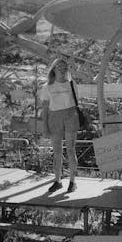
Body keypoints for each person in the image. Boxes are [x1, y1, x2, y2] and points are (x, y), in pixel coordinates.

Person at [39, 59, 79, 193]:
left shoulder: (72, 84)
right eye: (59, 66)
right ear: (54, 69)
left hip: (71, 116)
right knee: (57, 152)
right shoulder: (47, 87)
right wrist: (44, 126)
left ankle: (73, 181)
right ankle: (58, 181)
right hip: (54, 118)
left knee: (71, 149)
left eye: (65, 67)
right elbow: (44, 109)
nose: (62, 69)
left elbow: (76, 103)